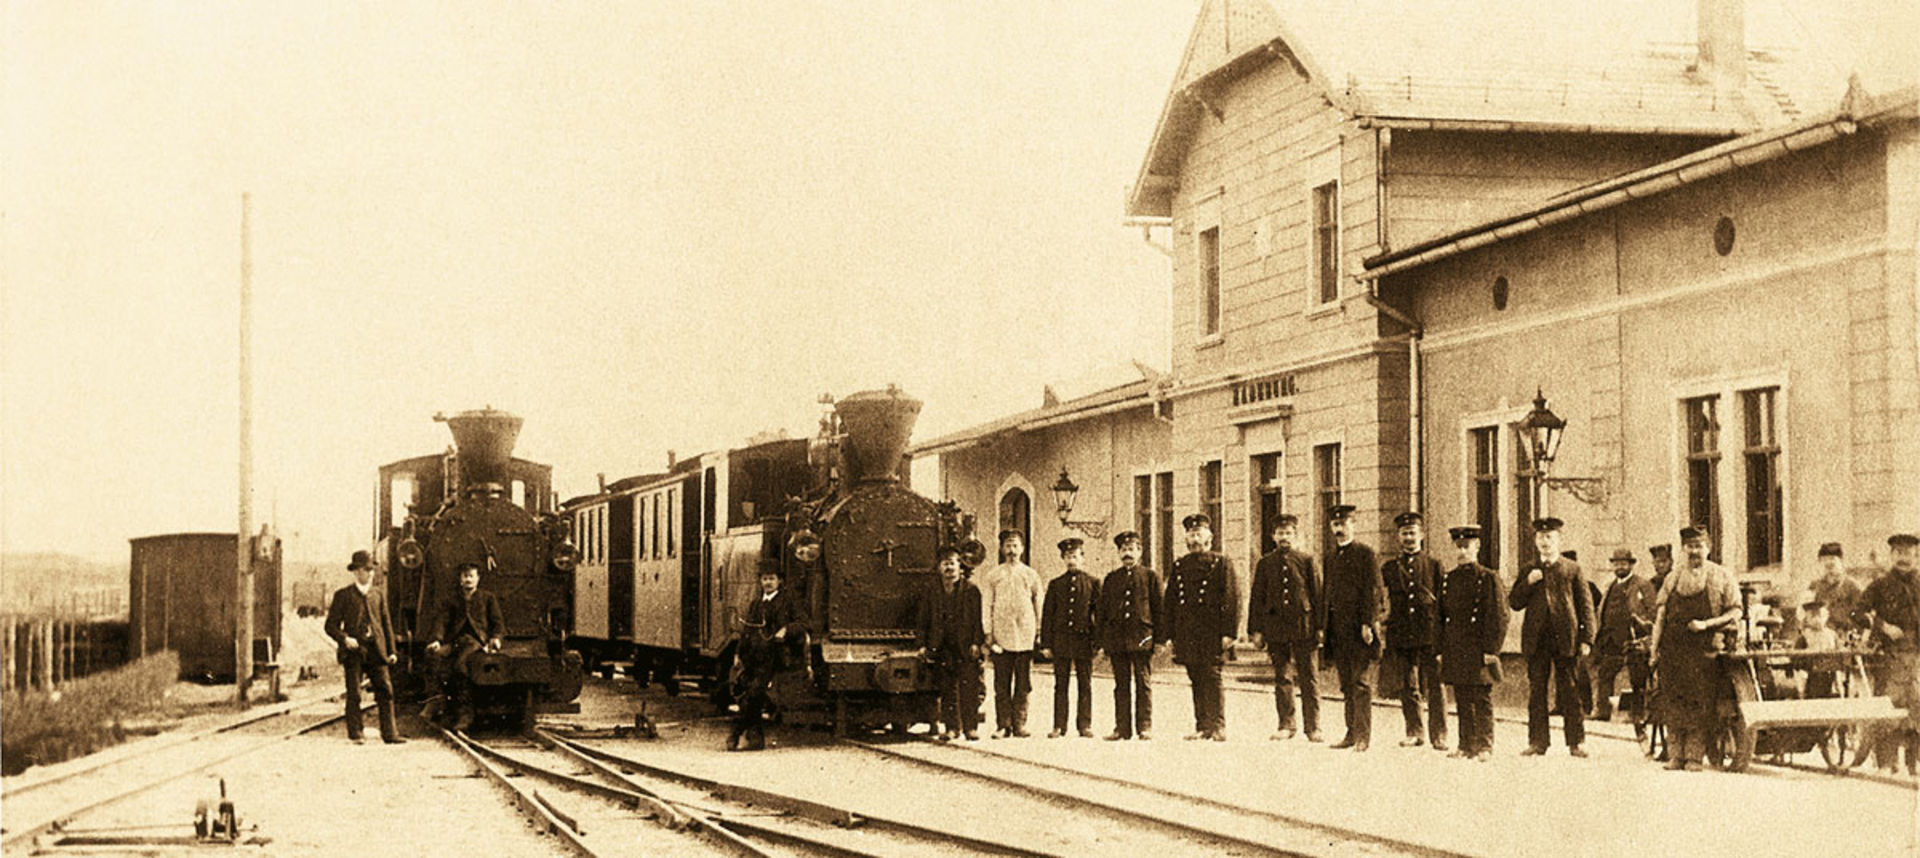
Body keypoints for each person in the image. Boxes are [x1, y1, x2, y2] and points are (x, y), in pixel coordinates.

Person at [1647, 525, 1741, 771]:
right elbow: (1660, 616)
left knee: (1699, 703)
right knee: (1673, 701)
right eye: (1689, 547)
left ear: (1708, 548)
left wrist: (1707, 624)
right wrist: (1653, 649)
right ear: (1683, 549)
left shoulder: (1721, 576)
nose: (1694, 551)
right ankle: (1676, 755)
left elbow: (1736, 611)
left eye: (1698, 546)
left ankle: (1694, 757)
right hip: (1673, 650)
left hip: (1705, 650)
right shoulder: (1673, 577)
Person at [1509, 517, 1595, 757]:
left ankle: (1576, 742)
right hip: (1537, 641)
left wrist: (1587, 638)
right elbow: (1514, 602)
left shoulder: (1571, 569)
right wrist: (1528, 583)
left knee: (1570, 690)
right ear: (1535, 541)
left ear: (1558, 540)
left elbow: (1585, 605)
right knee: (1537, 691)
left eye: (1550, 537)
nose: (1545, 542)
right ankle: (1538, 742)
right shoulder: (1529, 569)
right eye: (1541, 537)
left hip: (1565, 639)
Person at [1164, 513, 1238, 741]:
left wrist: (1230, 632)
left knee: (1213, 676)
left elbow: (1232, 598)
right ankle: (1202, 725)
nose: (1195, 538)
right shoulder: (1179, 565)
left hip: (1212, 630)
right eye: (1191, 534)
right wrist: (1169, 633)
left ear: (1210, 537)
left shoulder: (1221, 562)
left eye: (1199, 533)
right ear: (1186, 538)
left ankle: (1218, 725)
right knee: (1195, 675)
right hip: (1187, 631)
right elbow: (1171, 601)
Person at [1249, 514, 1321, 742]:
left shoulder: (1307, 560)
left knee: (1309, 677)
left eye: (1288, 533)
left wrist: (1320, 628)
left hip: (1303, 626)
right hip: (1276, 626)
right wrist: (1256, 630)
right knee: (1282, 677)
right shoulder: (1265, 563)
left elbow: (1318, 596)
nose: (1284, 538)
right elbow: (1257, 598)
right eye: (1280, 533)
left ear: (1295, 535)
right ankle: (1286, 724)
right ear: (1273, 536)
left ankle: (1313, 727)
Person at [1437, 526, 1506, 760]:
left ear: (1477, 547)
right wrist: (1440, 649)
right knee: (1462, 697)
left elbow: (1498, 616)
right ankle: (1466, 744)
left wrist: (1491, 650)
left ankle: (1485, 745)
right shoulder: (1450, 579)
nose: (1462, 551)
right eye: (1459, 546)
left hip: (1479, 647)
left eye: (1467, 546)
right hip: (1456, 646)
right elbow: (1441, 616)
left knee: (1481, 697)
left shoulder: (1488, 577)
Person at [1380, 511, 1446, 750]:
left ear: (1422, 535)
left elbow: (1442, 603)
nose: (1409, 537)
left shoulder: (1434, 566)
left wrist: (1443, 635)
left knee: (1435, 685)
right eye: (1404, 533)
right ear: (1399, 537)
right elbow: (1382, 601)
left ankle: (1439, 735)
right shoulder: (1389, 568)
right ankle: (1414, 731)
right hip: (1402, 633)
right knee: (1408, 685)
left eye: (1412, 533)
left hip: (1429, 633)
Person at [324, 550, 404, 745]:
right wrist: (344, 639)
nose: (367, 574)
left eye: (370, 570)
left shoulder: (378, 595)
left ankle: (390, 734)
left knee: (385, 690)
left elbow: (386, 625)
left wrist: (392, 651)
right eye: (362, 570)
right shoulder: (343, 595)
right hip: (354, 651)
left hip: (377, 650)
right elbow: (330, 626)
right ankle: (356, 733)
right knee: (354, 693)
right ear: (355, 572)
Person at [1322, 504, 1384, 751]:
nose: (1339, 529)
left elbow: (1373, 591)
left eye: (1344, 524)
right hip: (1338, 631)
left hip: (1360, 631)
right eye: (1336, 524)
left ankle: (1363, 737)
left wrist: (1368, 622)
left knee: (1360, 683)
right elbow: (1328, 595)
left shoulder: (1365, 554)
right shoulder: (1330, 558)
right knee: (1346, 684)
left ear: (1353, 525)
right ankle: (1351, 732)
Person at [1857, 533, 1920, 774]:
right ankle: (1886, 762)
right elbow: (1858, 613)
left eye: (1908, 553)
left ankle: (1915, 764)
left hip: (1916, 656)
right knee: (1888, 707)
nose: (1903, 558)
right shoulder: (1880, 585)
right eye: (1898, 553)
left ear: (1915, 556)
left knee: (1918, 705)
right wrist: (1882, 626)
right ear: (1891, 555)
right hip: (1888, 656)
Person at [729, 562, 807, 751]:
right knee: (750, 697)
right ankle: (755, 740)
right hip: (753, 657)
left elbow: (803, 623)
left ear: (779, 581)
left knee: (754, 694)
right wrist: (739, 653)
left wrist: (786, 630)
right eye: (765, 579)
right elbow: (747, 630)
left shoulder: (788, 601)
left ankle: (736, 733)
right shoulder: (756, 603)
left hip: (775, 656)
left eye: (772, 579)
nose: (768, 583)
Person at [425, 563, 506, 732]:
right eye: (465, 576)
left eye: (471, 576)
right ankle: (437, 704)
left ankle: (465, 715)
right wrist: (437, 641)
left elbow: (498, 623)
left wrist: (496, 639)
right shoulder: (452, 600)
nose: (468, 580)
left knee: (460, 667)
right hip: (455, 642)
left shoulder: (487, 598)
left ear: (478, 579)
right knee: (434, 657)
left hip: (476, 642)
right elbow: (442, 622)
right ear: (460, 580)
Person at [980, 530, 1044, 738]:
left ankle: (1020, 723)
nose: (1012, 550)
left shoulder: (1031, 575)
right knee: (1002, 683)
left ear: (1022, 549)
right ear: (1001, 549)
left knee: (1023, 683)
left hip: (1025, 635)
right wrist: (988, 633)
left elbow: (1038, 604)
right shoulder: (994, 575)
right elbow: (987, 605)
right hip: (1002, 636)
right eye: (1008, 546)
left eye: (1015, 546)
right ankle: (1003, 724)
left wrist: (1039, 632)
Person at [1099, 531, 1162, 741]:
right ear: (1119, 553)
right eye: (1124, 550)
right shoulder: (1111, 579)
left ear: (1139, 551)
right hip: (1117, 638)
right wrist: (1103, 641)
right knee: (1121, 684)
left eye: (1131, 549)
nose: (1127, 553)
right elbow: (1103, 612)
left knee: (1143, 683)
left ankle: (1145, 726)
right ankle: (1122, 728)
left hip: (1142, 636)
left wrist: (1159, 639)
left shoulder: (1149, 576)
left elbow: (1158, 609)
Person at [921, 546, 985, 741]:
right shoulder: (932, 590)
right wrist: (923, 644)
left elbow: (978, 620)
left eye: (953, 563)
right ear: (939, 567)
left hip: (965, 645)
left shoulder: (971, 590)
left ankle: (970, 728)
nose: (949, 567)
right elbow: (923, 620)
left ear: (960, 566)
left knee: (969, 688)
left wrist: (977, 643)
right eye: (945, 563)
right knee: (948, 688)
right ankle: (951, 727)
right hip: (942, 646)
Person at [1041, 537, 1100, 738]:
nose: (1071, 560)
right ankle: (1059, 725)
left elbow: (1098, 615)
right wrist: (1046, 643)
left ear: (1082, 558)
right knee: (1061, 684)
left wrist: (1097, 642)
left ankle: (1085, 725)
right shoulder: (1056, 584)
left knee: (1085, 684)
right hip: (1061, 641)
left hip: (1084, 641)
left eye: (1075, 556)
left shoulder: (1093, 583)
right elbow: (1048, 615)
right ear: (1063, 559)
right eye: (1067, 556)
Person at [1591, 548, 1655, 723]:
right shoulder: (1610, 586)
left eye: (1623, 563)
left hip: (1632, 638)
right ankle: (1603, 711)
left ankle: (1637, 713)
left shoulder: (1642, 585)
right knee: (1605, 673)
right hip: (1611, 639)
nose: (1619, 567)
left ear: (1631, 565)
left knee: (1637, 677)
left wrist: (1644, 628)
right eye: (1616, 563)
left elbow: (1653, 612)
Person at [1808, 543, 1862, 634]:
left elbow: (1860, 616)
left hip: (1845, 635)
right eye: (1824, 561)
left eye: (1832, 560)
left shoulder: (1852, 586)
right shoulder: (1815, 586)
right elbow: (1806, 613)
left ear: (1841, 562)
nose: (1828, 564)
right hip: (1820, 635)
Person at [1793, 601, 1840, 700]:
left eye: (1819, 615)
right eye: (1813, 616)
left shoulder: (1832, 634)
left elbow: (1839, 654)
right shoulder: (1804, 636)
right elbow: (1797, 661)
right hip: (1813, 675)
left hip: (1831, 673)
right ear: (1807, 619)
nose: (1817, 619)